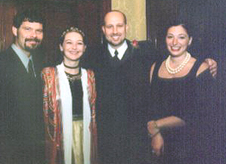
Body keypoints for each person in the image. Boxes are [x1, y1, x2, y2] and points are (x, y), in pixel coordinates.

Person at [147, 23, 221, 164]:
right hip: (162, 144)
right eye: (170, 37)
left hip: (193, 145)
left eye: (181, 37)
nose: (175, 42)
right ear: (165, 39)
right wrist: (155, 134)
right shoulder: (154, 68)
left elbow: (198, 113)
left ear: (190, 40)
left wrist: (156, 125)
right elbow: (151, 106)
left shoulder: (202, 68)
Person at [42, 27, 98, 164]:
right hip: (59, 136)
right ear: (61, 47)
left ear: (84, 48)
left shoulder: (90, 75)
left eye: (79, 43)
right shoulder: (48, 75)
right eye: (69, 43)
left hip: (85, 134)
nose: (74, 47)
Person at [0, 9, 46, 164]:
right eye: (28, 29)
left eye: (38, 31)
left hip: (38, 153)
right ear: (14, 30)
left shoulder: (43, 64)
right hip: (9, 154)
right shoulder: (2, 63)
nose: (34, 35)